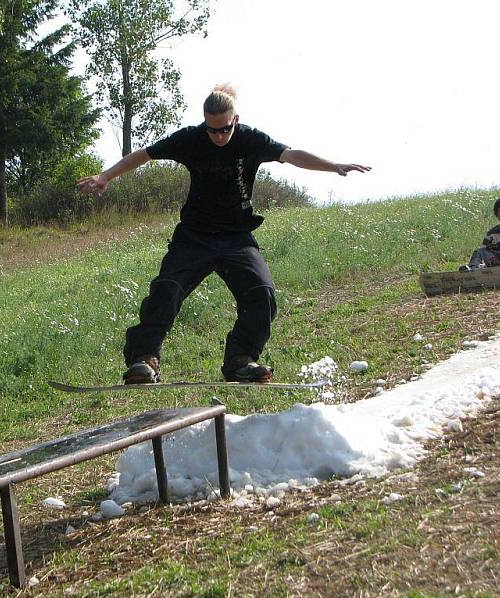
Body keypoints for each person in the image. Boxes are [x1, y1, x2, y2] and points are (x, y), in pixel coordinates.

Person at [77, 84, 370, 384]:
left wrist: (333, 166)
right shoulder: (191, 138)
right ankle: (144, 359)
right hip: (194, 236)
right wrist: (105, 176)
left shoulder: (251, 140)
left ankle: (240, 359)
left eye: (224, 130)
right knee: (166, 289)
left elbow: (292, 155)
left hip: (236, 237)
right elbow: (145, 154)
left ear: (236, 120)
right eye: (211, 130)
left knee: (262, 294)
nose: (218, 136)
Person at [460, 198, 500, 271]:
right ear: (496, 214)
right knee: (479, 251)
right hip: (499, 261)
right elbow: (484, 251)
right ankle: (472, 270)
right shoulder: (492, 233)